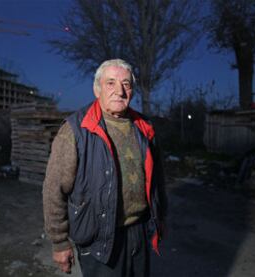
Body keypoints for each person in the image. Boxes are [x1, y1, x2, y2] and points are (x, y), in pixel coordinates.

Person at [43, 59, 167, 277]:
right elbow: (54, 190)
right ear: (96, 89)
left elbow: (158, 180)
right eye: (110, 83)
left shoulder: (144, 127)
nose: (119, 91)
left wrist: (160, 217)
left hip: (139, 231)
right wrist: (60, 242)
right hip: (99, 237)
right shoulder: (76, 130)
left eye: (126, 84)